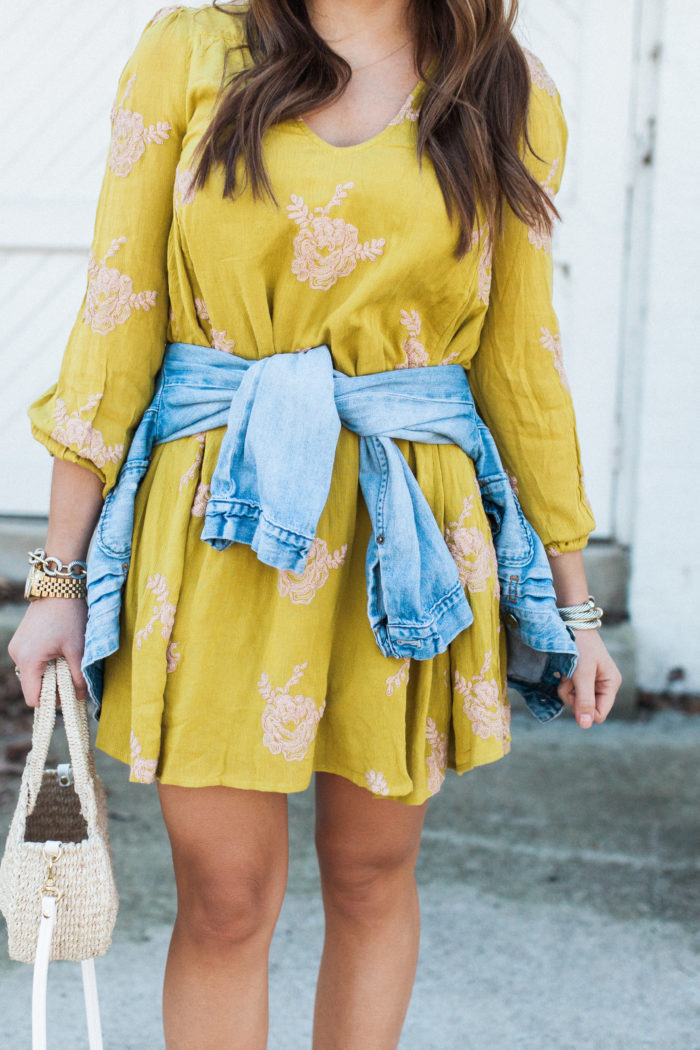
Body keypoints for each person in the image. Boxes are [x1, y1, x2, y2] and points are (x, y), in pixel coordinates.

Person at [9, 1, 622, 1047]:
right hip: (216, 530)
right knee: (225, 895)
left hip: (404, 533)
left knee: (372, 874)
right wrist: (56, 583)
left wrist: (576, 606)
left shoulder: (505, 87)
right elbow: (118, 313)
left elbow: (521, 360)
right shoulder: (190, 51)